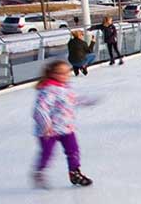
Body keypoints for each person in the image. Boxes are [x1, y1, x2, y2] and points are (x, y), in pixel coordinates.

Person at [32, 60, 94, 189]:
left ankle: (75, 173)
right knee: (47, 153)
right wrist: (46, 124)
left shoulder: (64, 88)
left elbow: (72, 100)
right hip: (49, 131)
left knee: (73, 151)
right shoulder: (48, 90)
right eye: (62, 73)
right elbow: (40, 109)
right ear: (52, 74)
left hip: (66, 128)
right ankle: (39, 172)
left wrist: (85, 101)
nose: (66, 75)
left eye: (67, 72)